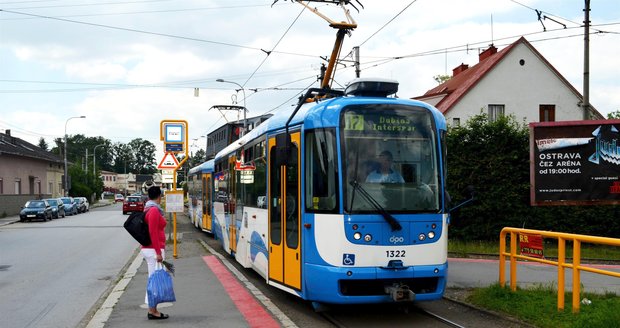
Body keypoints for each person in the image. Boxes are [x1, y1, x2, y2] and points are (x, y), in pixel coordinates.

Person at [141, 186, 169, 320]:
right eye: (161, 196)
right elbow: (153, 233)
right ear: (159, 196)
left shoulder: (150, 208)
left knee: (154, 280)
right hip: (153, 250)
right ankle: (152, 311)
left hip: (151, 249)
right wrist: (158, 253)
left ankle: (153, 309)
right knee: (154, 281)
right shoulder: (153, 211)